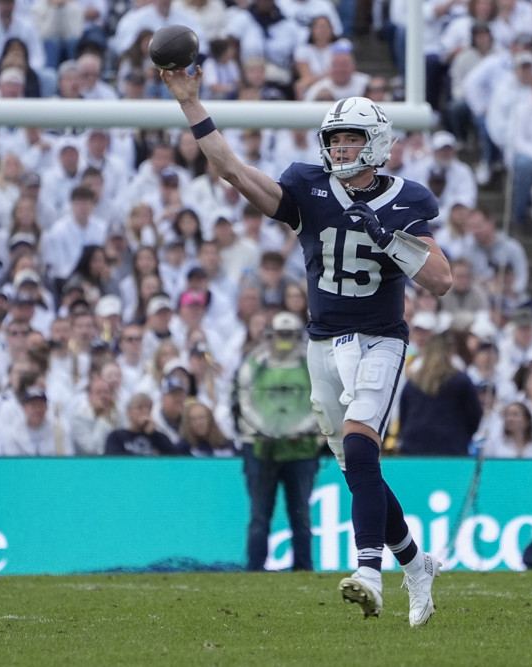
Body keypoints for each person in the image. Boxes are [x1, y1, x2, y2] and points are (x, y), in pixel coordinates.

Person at [161, 65, 453, 626]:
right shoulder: (308, 188)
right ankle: (415, 564)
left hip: (379, 339)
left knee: (363, 451)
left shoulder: (405, 197)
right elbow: (231, 171)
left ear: (379, 143)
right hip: (322, 345)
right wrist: (192, 104)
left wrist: (386, 234)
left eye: (353, 139)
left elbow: (440, 280)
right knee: (358, 470)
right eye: (335, 139)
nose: (342, 149)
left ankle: (369, 570)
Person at [235, 311, 320, 572]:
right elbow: (244, 402)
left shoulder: (310, 364)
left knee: (301, 515)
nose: (284, 341)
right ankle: (255, 568)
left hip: (300, 448)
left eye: (289, 335)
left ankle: (303, 568)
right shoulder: (255, 364)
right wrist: (266, 428)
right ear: (270, 336)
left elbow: (320, 402)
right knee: (260, 514)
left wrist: (298, 428)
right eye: (279, 335)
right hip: (262, 447)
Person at [397, 331, 483, 456]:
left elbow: (403, 416)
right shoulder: (461, 380)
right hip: (451, 446)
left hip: (414, 443)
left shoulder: (413, 382)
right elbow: (474, 415)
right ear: (450, 352)